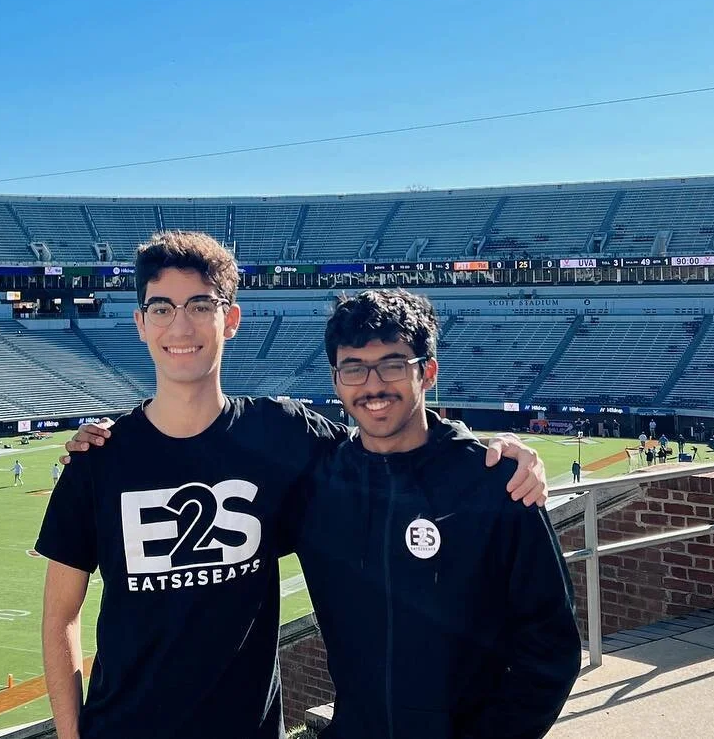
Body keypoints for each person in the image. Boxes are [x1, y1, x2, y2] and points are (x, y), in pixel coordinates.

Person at [38, 232, 548, 739]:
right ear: (141, 324)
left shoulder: (282, 432)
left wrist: (492, 451)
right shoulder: (98, 460)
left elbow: (388, 437)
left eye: (199, 304)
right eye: (162, 308)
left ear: (230, 319)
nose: (181, 324)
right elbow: (60, 614)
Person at [291, 290, 580, 737]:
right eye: (354, 368)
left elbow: (550, 645)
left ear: (427, 372)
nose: (372, 386)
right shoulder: (317, 484)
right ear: (335, 379)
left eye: (392, 365)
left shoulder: (494, 482)